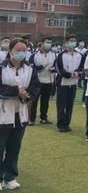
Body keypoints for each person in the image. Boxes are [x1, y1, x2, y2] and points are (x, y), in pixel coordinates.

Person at [0, 38, 40, 190]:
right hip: (3, 113)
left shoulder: (30, 68)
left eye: (25, 50)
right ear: (10, 51)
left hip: (21, 114)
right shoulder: (1, 67)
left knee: (14, 147)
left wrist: (27, 95)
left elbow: (35, 87)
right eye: (18, 50)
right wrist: (16, 91)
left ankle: (10, 176)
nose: (22, 53)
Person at [55, 35, 84, 132]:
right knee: (61, 105)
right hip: (62, 83)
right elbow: (59, 69)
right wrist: (68, 74)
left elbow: (82, 67)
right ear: (66, 42)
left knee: (69, 105)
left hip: (73, 83)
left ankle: (67, 124)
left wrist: (78, 72)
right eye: (71, 40)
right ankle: (60, 124)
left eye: (74, 41)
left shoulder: (79, 55)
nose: (73, 42)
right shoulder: (61, 55)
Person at [29, 37, 56, 125]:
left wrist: (53, 69)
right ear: (42, 43)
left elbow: (57, 66)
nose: (48, 44)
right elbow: (30, 67)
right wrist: (39, 68)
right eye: (47, 42)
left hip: (48, 81)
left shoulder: (53, 55)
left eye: (50, 42)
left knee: (45, 101)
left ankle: (43, 118)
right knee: (34, 101)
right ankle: (31, 118)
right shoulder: (35, 55)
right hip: (37, 82)